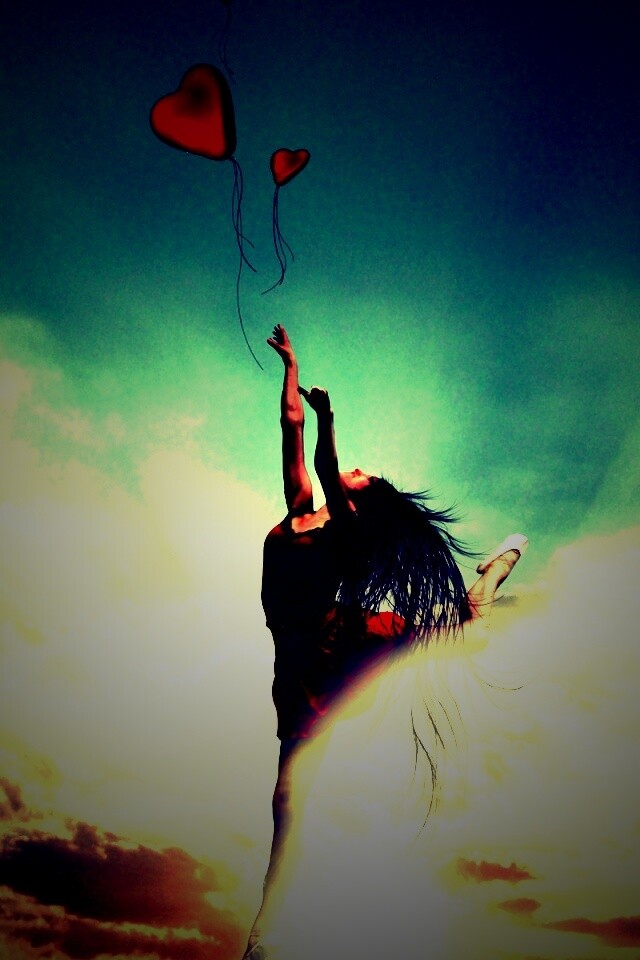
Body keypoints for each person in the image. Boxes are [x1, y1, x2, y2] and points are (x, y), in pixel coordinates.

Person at [242, 325, 527, 958]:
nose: (353, 469)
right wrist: (290, 365)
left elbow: (321, 458)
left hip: (330, 640)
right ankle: (270, 926)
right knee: (287, 790)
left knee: (289, 794)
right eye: (357, 467)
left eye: (361, 474)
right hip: (296, 648)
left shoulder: (346, 529)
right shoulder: (300, 506)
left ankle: (492, 574)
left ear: (362, 501)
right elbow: (290, 428)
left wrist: (330, 420)